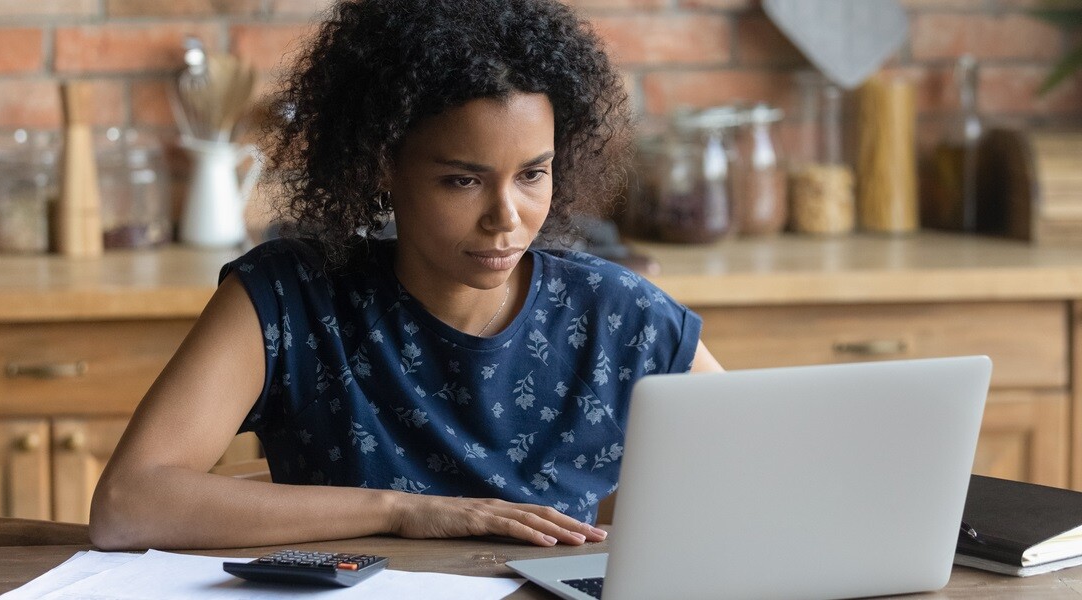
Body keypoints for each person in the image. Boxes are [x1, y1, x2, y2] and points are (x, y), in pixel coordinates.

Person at [89, 0, 723, 551]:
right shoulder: (289, 299)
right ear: (381, 167)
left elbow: (766, 467)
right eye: (462, 180)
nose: (506, 217)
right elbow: (128, 505)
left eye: (532, 174)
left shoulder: (618, 315)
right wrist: (402, 509)